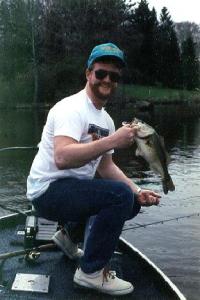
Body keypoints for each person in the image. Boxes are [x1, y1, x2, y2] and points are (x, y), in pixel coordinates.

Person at [27, 43, 161, 296]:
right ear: (88, 73)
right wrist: (112, 141)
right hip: (47, 192)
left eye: (114, 75)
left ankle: (67, 236)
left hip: (71, 193)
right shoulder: (71, 108)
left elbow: (106, 167)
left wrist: (138, 190)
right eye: (101, 73)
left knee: (129, 199)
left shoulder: (106, 120)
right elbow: (62, 158)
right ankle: (91, 272)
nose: (107, 79)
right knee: (118, 196)